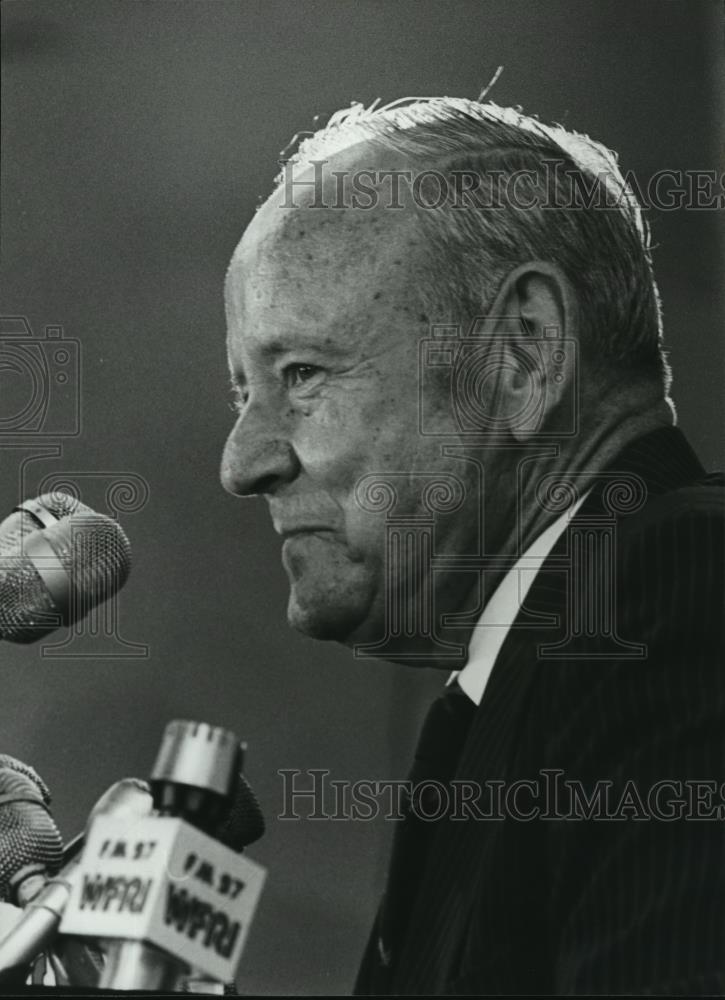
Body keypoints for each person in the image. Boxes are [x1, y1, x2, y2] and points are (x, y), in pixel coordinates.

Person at [220, 99, 724, 995]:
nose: (243, 462)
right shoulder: (543, 666)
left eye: (301, 375)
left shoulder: (678, 588)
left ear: (523, 355)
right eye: (241, 395)